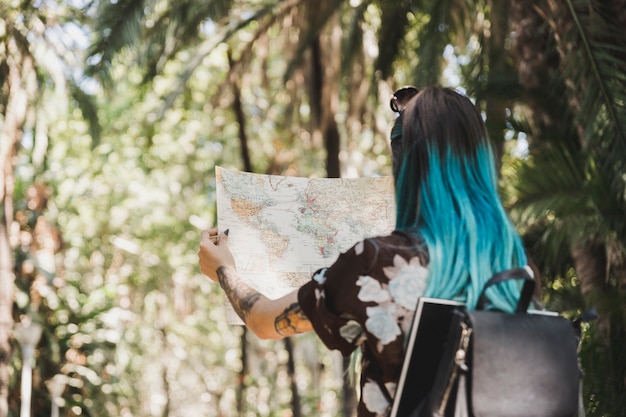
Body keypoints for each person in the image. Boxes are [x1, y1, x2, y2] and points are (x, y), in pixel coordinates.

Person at [198, 86, 528, 416]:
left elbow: (263, 320)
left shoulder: (376, 263)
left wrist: (224, 269)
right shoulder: (515, 270)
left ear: (405, 167)